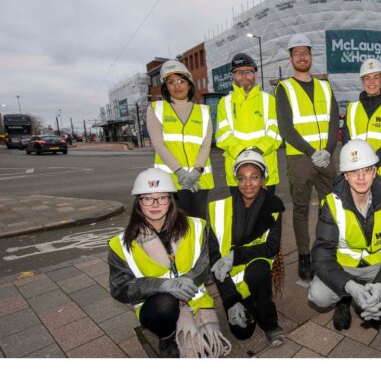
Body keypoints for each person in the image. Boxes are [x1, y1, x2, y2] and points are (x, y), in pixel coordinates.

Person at [108, 168, 230, 358]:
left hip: (194, 297)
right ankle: (168, 335)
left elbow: (204, 263)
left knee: (209, 348)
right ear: (138, 202)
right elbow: (120, 289)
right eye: (148, 198)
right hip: (157, 304)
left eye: (162, 197)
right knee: (166, 304)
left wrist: (187, 279)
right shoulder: (121, 244)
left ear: (171, 200)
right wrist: (163, 285)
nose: (155, 204)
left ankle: (191, 321)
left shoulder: (197, 227)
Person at [308, 139, 381, 332]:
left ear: (375, 172)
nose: (361, 177)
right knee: (319, 296)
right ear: (345, 175)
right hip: (344, 267)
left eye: (366, 170)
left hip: (377, 265)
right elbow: (321, 255)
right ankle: (344, 300)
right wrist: (350, 286)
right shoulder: (331, 203)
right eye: (353, 171)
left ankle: (374, 299)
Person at [274, 33, 339, 280]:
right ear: (291, 58)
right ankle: (304, 255)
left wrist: (329, 150)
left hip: (326, 156)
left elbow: (334, 119)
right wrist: (313, 152)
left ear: (311, 56)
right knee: (301, 209)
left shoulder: (324, 85)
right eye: (297, 53)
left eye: (306, 52)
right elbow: (286, 128)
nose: (302, 57)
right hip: (301, 158)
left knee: (331, 207)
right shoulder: (284, 88)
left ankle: (328, 250)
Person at [207, 150, 287, 347]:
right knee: (242, 333)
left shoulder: (274, 206)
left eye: (254, 178)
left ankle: (270, 323)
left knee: (258, 272)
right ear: (237, 180)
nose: (248, 184)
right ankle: (245, 303)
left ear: (262, 180)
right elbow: (215, 256)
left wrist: (236, 255)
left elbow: (270, 247)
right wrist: (230, 300)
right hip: (229, 277)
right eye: (242, 179)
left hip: (255, 268)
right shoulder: (219, 208)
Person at [146, 59, 214, 219]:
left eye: (181, 80)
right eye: (171, 82)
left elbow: (206, 145)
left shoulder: (203, 111)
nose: (177, 85)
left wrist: (196, 171)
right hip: (170, 181)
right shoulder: (156, 109)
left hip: (200, 180)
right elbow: (158, 144)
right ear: (165, 86)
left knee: (199, 225)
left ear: (189, 83)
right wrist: (181, 172)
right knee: (175, 227)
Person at [215, 53, 281, 196]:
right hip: (237, 174)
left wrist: (255, 153)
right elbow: (222, 135)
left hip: (266, 172)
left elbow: (275, 132)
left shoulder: (269, 100)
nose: (244, 76)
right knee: (240, 217)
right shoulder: (224, 103)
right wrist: (244, 155)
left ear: (255, 74)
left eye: (248, 71)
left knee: (268, 216)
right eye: (239, 72)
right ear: (233, 75)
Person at [342, 58, 381, 193]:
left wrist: (370, 164)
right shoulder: (352, 108)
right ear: (362, 81)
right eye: (367, 78)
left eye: (376, 77)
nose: (371, 82)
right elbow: (346, 141)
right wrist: (360, 166)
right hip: (358, 175)